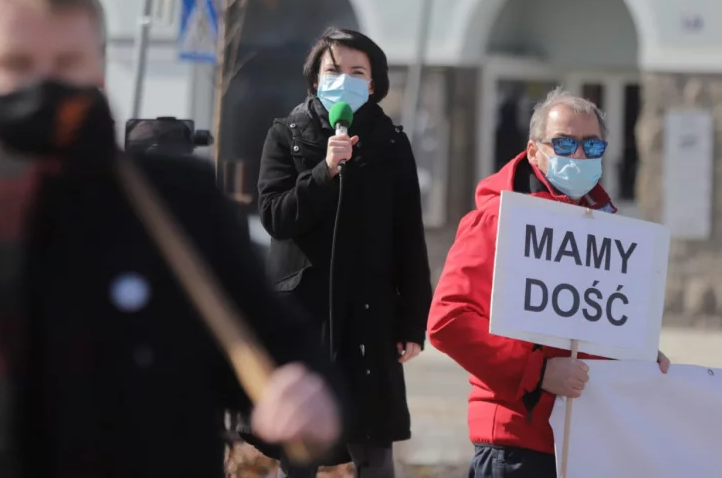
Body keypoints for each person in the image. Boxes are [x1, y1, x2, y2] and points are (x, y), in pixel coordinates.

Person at [0, 0, 344, 478]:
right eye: (14, 64)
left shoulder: (178, 208)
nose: (43, 87)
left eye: (66, 63)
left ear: (97, 69)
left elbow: (284, 352)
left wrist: (310, 400)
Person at [427, 88, 670, 478]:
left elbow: (592, 327)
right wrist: (537, 372)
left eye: (592, 145)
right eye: (564, 143)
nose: (579, 156)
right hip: (517, 444)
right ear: (534, 151)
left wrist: (638, 355)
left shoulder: (606, 231)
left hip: (586, 444)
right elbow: (449, 321)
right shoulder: (496, 220)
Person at [252, 27, 433, 477]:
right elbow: (275, 217)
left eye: (357, 72)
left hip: (369, 316)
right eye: (333, 70)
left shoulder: (391, 143)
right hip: (304, 316)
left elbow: (408, 237)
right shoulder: (287, 135)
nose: (344, 80)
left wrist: (412, 320)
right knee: (299, 447)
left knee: (373, 445)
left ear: (372, 85)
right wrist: (325, 169)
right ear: (316, 79)